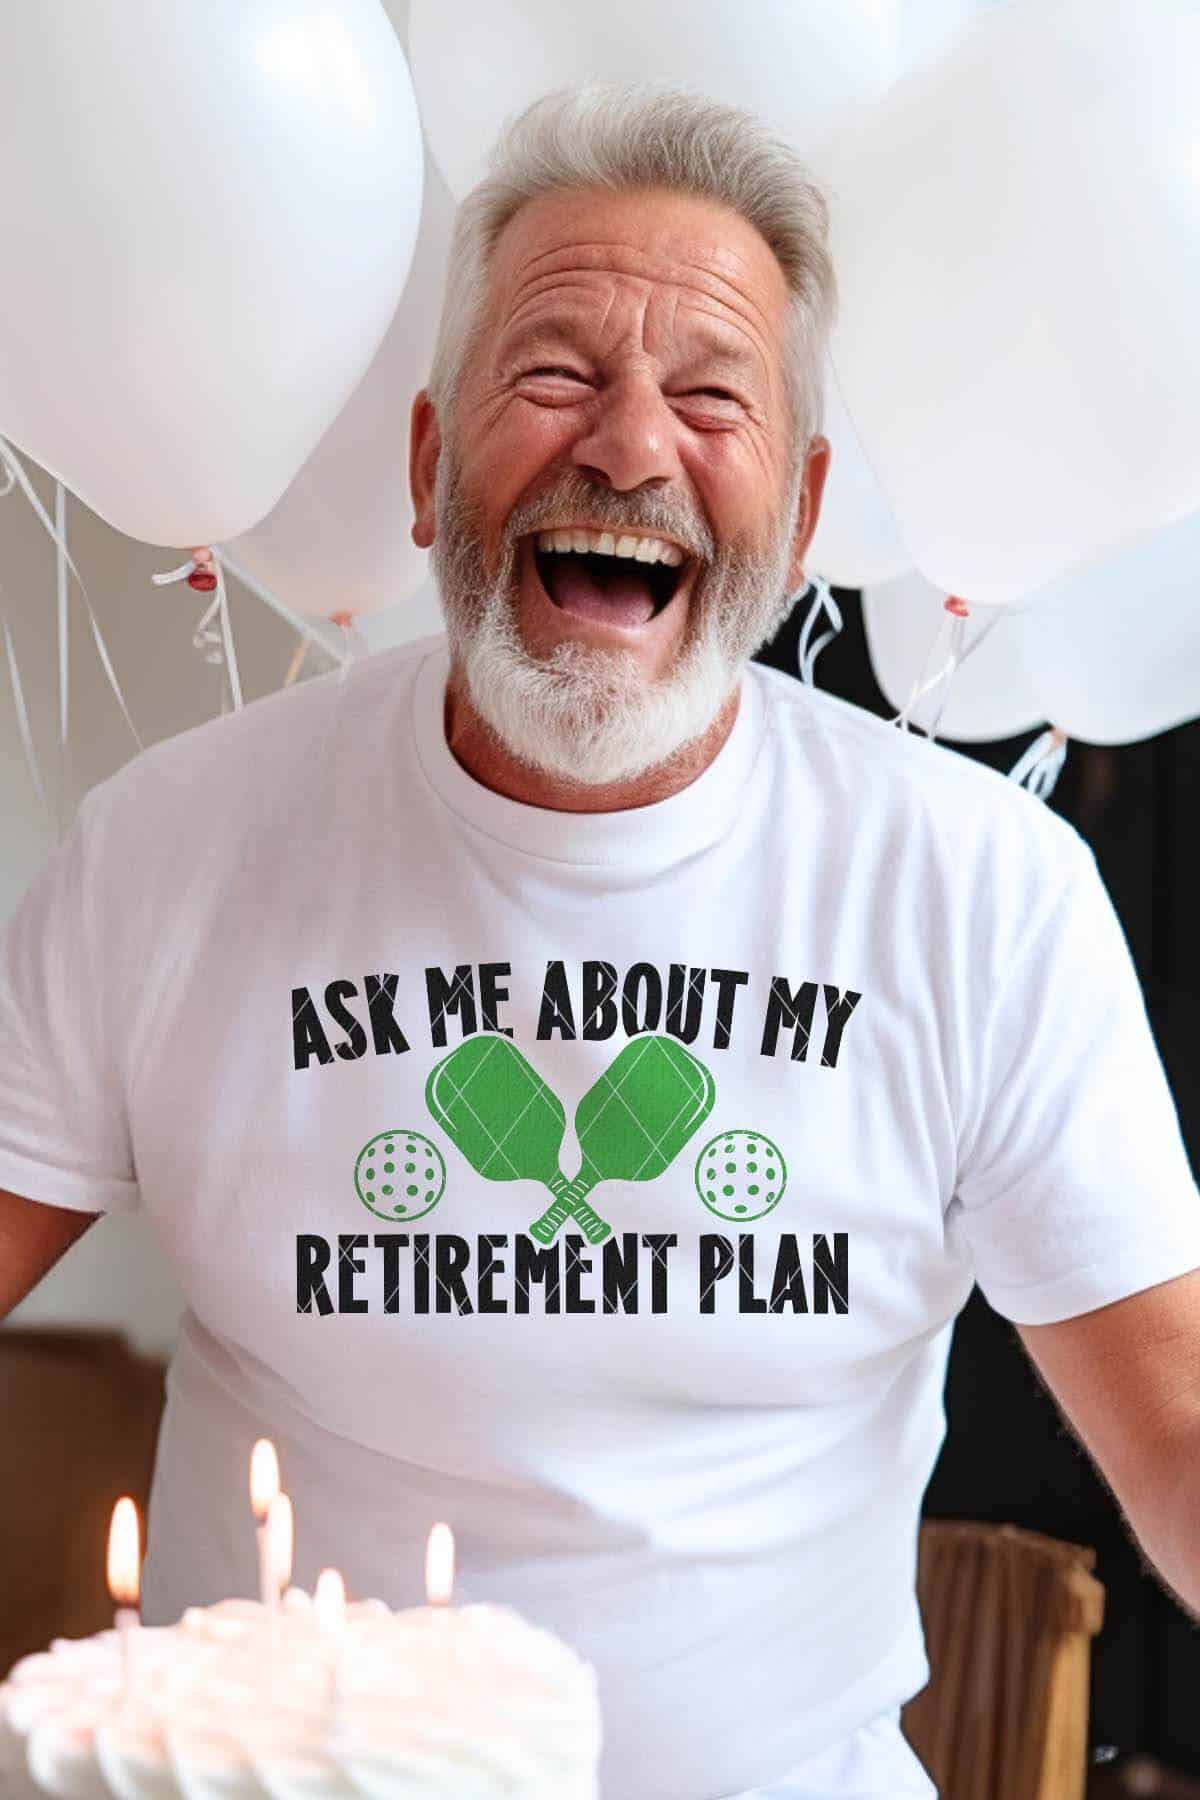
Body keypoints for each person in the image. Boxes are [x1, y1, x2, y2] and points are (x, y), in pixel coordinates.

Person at [3, 82, 1200, 1800]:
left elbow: (1180, 1433)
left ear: (793, 522)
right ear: (429, 471)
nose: (630, 445)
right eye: (554, 374)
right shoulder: (172, 850)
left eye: (710, 396)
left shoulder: (982, 896)